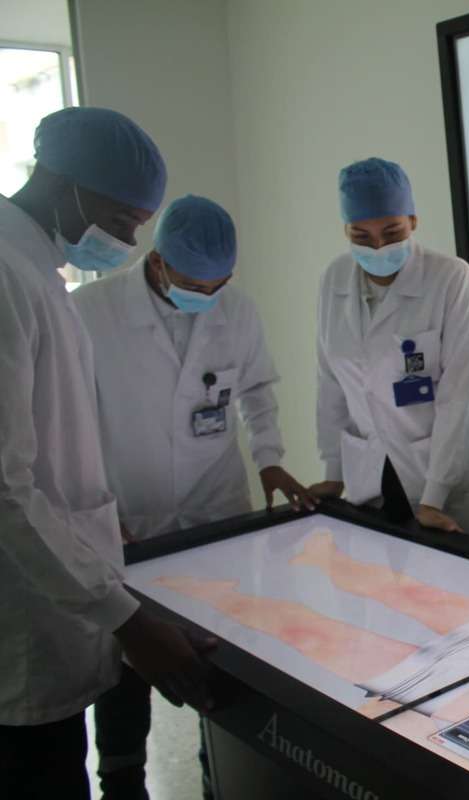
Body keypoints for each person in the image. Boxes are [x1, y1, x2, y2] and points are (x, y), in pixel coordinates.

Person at [0, 106, 213, 800]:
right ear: (62, 183)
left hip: (61, 584)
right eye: (122, 219)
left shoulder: (38, 271)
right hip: (23, 619)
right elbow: (5, 488)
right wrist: (127, 618)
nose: (127, 241)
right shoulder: (6, 275)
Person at [74, 193, 312, 798]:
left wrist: (270, 459)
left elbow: (257, 391)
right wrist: (91, 509)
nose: (208, 297)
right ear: (158, 262)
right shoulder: (91, 311)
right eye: (193, 285)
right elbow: (69, 421)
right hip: (128, 510)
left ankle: (221, 768)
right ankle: (122, 774)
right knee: (125, 653)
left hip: (215, 505)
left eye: (218, 285)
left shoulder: (238, 310)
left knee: (220, 648)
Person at [310, 158, 469, 541]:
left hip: (451, 478)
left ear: (413, 221)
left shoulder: (451, 279)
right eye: (361, 236)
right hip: (375, 476)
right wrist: (333, 471)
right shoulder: (334, 280)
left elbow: (460, 397)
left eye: (391, 232)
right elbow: (331, 384)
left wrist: (435, 495)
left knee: (466, 577)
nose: (378, 246)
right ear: (345, 230)